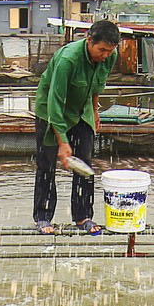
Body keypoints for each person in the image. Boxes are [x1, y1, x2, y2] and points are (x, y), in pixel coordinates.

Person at [32, 20, 121, 234]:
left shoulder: (110, 56)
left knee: (84, 165)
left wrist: (95, 110)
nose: (105, 55)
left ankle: (83, 216)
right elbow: (55, 101)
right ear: (89, 40)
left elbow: (98, 84)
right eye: (101, 50)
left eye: (109, 51)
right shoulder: (67, 60)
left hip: (82, 110)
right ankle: (43, 218)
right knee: (47, 166)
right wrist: (62, 142)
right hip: (51, 110)